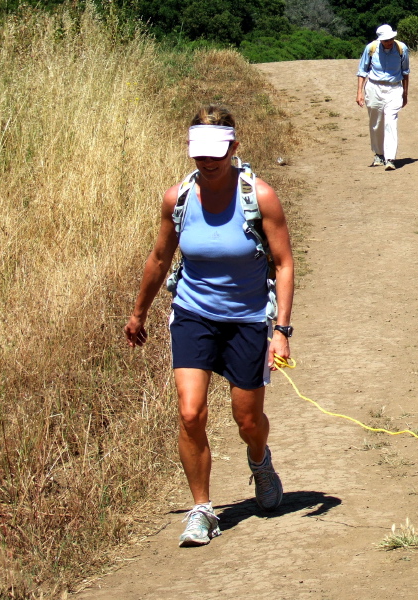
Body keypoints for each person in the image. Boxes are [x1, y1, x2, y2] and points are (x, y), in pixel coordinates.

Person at [124, 105, 295, 547]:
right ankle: (202, 509)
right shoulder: (177, 198)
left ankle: (260, 462)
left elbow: (284, 264)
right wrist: (139, 312)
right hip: (194, 314)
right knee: (190, 412)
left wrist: (281, 330)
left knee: (247, 418)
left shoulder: (260, 196)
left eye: (217, 152)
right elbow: (160, 258)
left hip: (247, 319)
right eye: (199, 153)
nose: (207, 161)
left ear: (234, 148)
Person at [356, 24, 410, 171]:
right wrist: (359, 92)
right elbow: (362, 71)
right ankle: (378, 154)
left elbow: (405, 72)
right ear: (380, 40)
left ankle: (390, 158)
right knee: (376, 123)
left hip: (394, 88)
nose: (389, 42)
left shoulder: (401, 49)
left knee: (391, 121)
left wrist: (405, 93)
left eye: (391, 38)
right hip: (374, 87)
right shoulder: (371, 48)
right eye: (386, 40)